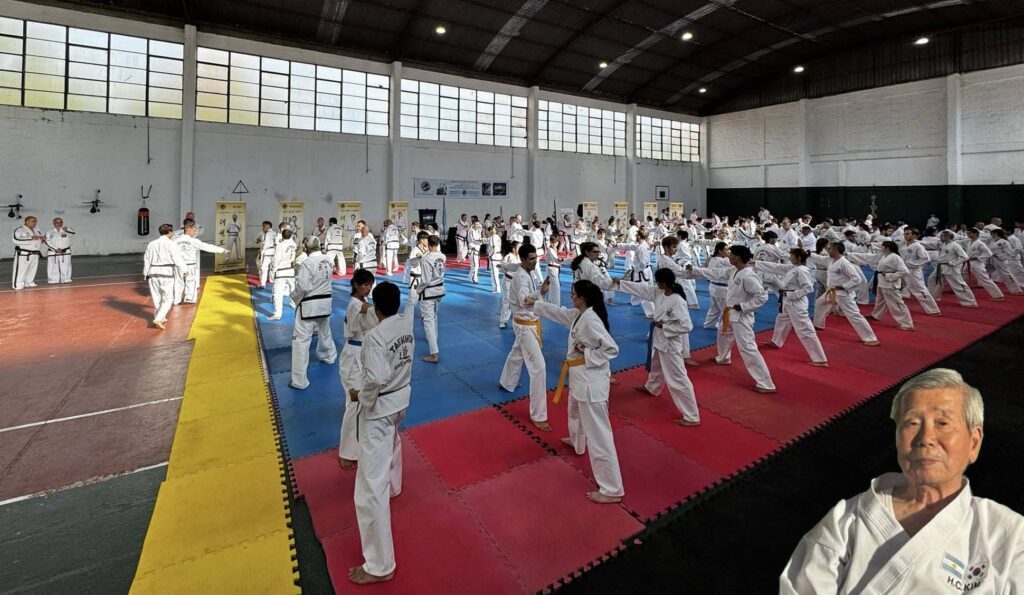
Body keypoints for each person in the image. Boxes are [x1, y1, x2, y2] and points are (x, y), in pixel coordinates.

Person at [781, 368, 1024, 593]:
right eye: (912, 423)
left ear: (973, 442)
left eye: (942, 423)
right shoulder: (845, 521)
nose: (925, 438)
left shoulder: (1009, 535)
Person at [348, 282, 417, 585]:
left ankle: (380, 564)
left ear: (375, 308)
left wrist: (360, 398)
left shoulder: (375, 336)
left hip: (380, 407)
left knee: (367, 489)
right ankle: (394, 486)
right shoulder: (406, 324)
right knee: (394, 442)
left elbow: (375, 378)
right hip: (402, 400)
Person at [531, 280, 624, 503]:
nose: (570, 297)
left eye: (573, 294)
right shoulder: (579, 315)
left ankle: (612, 489)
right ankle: (577, 442)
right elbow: (559, 312)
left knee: (599, 435)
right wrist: (536, 302)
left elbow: (612, 348)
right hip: (580, 377)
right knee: (573, 411)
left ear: (582, 298)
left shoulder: (590, 321)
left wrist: (587, 355)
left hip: (591, 382)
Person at [686, 245, 777, 393]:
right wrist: (695, 270)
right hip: (730, 314)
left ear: (738, 257)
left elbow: (762, 296)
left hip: (741, 317)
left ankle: (766, 383)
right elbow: (715, 273)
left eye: (732, 254)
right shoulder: (734, 270)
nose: (729, 256)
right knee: (722, 332)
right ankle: (723, 358)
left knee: (748, 349)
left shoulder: (748, 276)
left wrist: (744, 306)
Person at [617, 268, 701, 425]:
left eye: (657, 281)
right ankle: (653, 387)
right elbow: (641, 289)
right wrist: (621, 283)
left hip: (670, 342)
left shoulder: (677, 301)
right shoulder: (659, 292)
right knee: (656, 365)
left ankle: (692, 415)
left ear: (664, 283)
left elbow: (687, 326)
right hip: (659, 337)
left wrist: (665, 327)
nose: (655, 284)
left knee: (677, 377)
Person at [499, 244, 551, 432]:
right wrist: (542, 292)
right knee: (539, 367)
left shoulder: (527, 273)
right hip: (524, 325)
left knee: (517, 353)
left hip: (526, 323)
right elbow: (524, 301)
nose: (534, 260)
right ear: (522, 259)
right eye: (531, 258)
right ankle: (538, 415)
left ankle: (507, 381)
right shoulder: (521, 277)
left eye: (535, 257)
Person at [755, 248, 829, 366]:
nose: (789, 257)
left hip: (796, 301)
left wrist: (792, 295)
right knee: (782, 319)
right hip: (787, 299)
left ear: (798, 258)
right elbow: (776, 267)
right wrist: (756, 263)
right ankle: (776, 341)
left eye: (791, 256)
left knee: (805, 329)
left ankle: (820, 358)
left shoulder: (802, 271)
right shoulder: (793, 268)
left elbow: (808, 288)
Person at [338, 269, 377, 470]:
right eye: (364, 284)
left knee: (361, 403)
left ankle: (358, 445)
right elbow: (367, 310)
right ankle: (346, 452)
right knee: (354, 404)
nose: (367, 288)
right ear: (355, 285)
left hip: (363, 354)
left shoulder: (361, 303)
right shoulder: (356, 304)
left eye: (370, 284)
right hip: (353, 357)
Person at [289, 236, 338, 390]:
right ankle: (329, 356)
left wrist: (294, 297)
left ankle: (299, 381)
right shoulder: (329, 260)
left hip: (309, 305)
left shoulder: (306, 264)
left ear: (304, 247)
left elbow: (302, 287)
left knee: (301, 341)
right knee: (325, 331)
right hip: (326, 302)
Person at [812, 242, 881, 345]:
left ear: (835, 250)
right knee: (819, 303)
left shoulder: (845, 263)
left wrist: (844, 286)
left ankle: (871, 338)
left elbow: (857, 279)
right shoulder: (830, 260)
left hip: (843, 294)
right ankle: (818, 324)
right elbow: (819, 259)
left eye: (830, 249)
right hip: (832, 291)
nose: (828, 251)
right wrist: (808, 254)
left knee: (854, 315)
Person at [847, 241, 915, 331]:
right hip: (882, 281)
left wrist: (890, 276)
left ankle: (907, 323)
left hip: (890, 283)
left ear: (887, 248)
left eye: (882, 246)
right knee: (880, 300)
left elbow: (904, 271)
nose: (880, 248)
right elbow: (868, 257)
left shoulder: (895, 257)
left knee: (896, 303)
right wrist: (849, 255)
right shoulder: (883, 256)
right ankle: (876, 315)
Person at [143, 224, 188, 330]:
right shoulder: (171, 244)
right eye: (171, 232)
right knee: (168, 298)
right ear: (169, 232)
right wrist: (184, 270)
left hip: (153, 273)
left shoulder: (152, 244)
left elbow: (147, 259)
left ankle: (160, 316)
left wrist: (146, 273)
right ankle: (158, 318)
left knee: (157, 297)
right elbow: (177, 258)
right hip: (166, 273)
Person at [173, 220, 228, 304]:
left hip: (178, 265)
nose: (194, 233)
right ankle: (189, 298)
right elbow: (207, 247)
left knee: (178, 282)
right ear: (189, 229)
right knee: (191, 281)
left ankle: (176, 299)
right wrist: (222, 250)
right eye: (194, 231)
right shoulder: (194, 241)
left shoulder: (175, 241)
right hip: (190, 265)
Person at [928, 230, 978, 308]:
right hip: (940, 267)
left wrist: (952, 263)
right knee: (932, 280)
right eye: (941, 236)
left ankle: (969, 301)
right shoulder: (942, 244)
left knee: (958, 284)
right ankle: (934, 297)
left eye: (943, 236)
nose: (941, 237)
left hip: (951, 267)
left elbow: (965, 257)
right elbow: (929, 244)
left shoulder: (955, 245)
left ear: (948, 237)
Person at [416, 235, 446, 363]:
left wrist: (418, 290)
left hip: (429, 292)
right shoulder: (442, 256)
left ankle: (434, 354)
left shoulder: (426, 258)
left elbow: (426, 280)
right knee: (434, 317)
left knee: (428, 321)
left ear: (428, 245)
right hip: (439, 290)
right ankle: (434, 339)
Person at [901, 228, 942, 315]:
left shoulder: (918, 246)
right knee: (892, 288)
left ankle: (934, 310)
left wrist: (911, 263)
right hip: (902, 270)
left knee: (920, 290)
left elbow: (926, 259)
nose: (905, 235)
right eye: (905, 234)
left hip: (913, 271)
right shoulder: (903, 245)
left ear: (915, 235)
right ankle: (893, 306)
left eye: (908, 234)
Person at [617, 229, 655, 317]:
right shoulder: (642, 245)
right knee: (640, 287)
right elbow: (630, 246)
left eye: (636, 235)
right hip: (646, 270)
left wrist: (635, 269)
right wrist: (617, 245)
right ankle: (635, 302)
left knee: (643, 290)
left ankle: (651, 313)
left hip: (642, 271)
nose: (635, 237)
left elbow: (643, 262)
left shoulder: (641, 247)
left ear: (639, 236)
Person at [963, 228, 1004, 301]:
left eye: (970, 233)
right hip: (968, 262)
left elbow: (989, 253)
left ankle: (998, 295)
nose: (968, 235)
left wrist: (977, 257)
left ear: (975, 234)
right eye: (968, 233)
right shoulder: (968, 242)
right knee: (962, 275)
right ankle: (964, 292)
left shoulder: (980, 243)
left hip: (977, 263)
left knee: (985, 279)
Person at [269, 229, 298, 320]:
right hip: (290, 270)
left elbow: (277, 259)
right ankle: (296, 305)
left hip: (281, 270)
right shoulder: (293, 245)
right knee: (293, 289)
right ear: (291, 236)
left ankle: (278, 313)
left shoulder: (280, 245)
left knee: (278, 293)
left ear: (282, 236)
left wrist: (273, 269)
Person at [702, 242, 733, 329]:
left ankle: (709, 324)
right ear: (720, 251)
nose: (728, 252)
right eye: (726, 250)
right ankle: (725, 327)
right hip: (721, 289)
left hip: (713, 286)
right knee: (725, 310)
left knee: (714, 309)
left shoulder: (713, 259)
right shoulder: (723, 261)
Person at [11, 215, 45, 290]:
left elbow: (39, 239)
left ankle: (29, 282)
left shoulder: (37, 230)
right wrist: (30, 238)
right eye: (33, 221)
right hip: (23, 254)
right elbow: (16, 240)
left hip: (35, 253)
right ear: (27, 221)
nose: (35, 223)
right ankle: (17, 284)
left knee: (32, 269)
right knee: (21, 269)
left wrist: (42, 239)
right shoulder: (20, 230)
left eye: (36, 221)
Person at [988, 229, 1024, 294]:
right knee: (1003, 276)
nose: (991, 235)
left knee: (1007, 274)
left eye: (992, 234)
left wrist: (999, 256)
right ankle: (1012, 289)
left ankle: (1017, 290)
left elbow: (1009, 252)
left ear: (996, 233)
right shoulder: (993, 241)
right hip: (995, 260)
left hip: (1002, 260)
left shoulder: (1004, 241)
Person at [498, 240, 522, 328]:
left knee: (519, 301)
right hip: (508, 280)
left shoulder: (520, 256)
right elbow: (502, 267)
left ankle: (519, 319)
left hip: (517, 281)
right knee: (507, 301)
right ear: (514, 248)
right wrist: (501, 266)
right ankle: (503, 321)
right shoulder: (508, 256)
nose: (520, 248)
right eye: (519, 246)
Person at [44, 217, 75, 284]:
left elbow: (73, 234)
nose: (59, 224)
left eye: (60, 222)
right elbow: (47, 241)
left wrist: (67, 230)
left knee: (66, 265)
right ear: (54, 223)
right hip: (53, 251)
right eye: (57, 222)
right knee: (52, 265)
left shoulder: (67, 230)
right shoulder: (49, 232)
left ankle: (66, 278)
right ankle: (53, 279)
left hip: (65, 251)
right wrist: (56, 248)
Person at [256, 221, 278, 288]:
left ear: (268, 226)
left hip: (271, 252)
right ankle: (263, 283)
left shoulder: (274, 234)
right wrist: (259, 240)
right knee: (264, 268)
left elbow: (277, 243)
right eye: (263, 226)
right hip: (265, 252)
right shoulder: (261, 233)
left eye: (264, 226)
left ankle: (270, 281)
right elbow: (256, 240)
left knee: (270, 267)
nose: (263, 227)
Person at [544, 243, 564, 307]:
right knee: (555, 288)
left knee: (552, 288)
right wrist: (562, 260)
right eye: (557, 242)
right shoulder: (550, 249)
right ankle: (556, 305)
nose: (558, 243)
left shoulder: (552, 249)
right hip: (552, 269)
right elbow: (556, 260)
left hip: (553, 269)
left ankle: (550, 303)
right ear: (554, 242)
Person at [488, 225, 503, 293]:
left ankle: (497, 289)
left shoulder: (492, 238)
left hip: (494, 257)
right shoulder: (498, 237)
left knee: (494, 274)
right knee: (497, 273)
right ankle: (498, 288)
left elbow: (493, 248)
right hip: (499, 256)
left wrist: (490, 256)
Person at [468, 219, 483, 284]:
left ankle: (471, 277)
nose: (478, 225)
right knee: (475, 265)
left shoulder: (478, 231)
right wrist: (482, 241)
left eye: (478, 224)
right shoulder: (471, 231)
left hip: (476, 250)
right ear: (473, 224)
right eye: (476, 224)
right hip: (473, 250)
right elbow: (474, 240)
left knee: (473, 265)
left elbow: (481, 228)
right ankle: (474, 278)